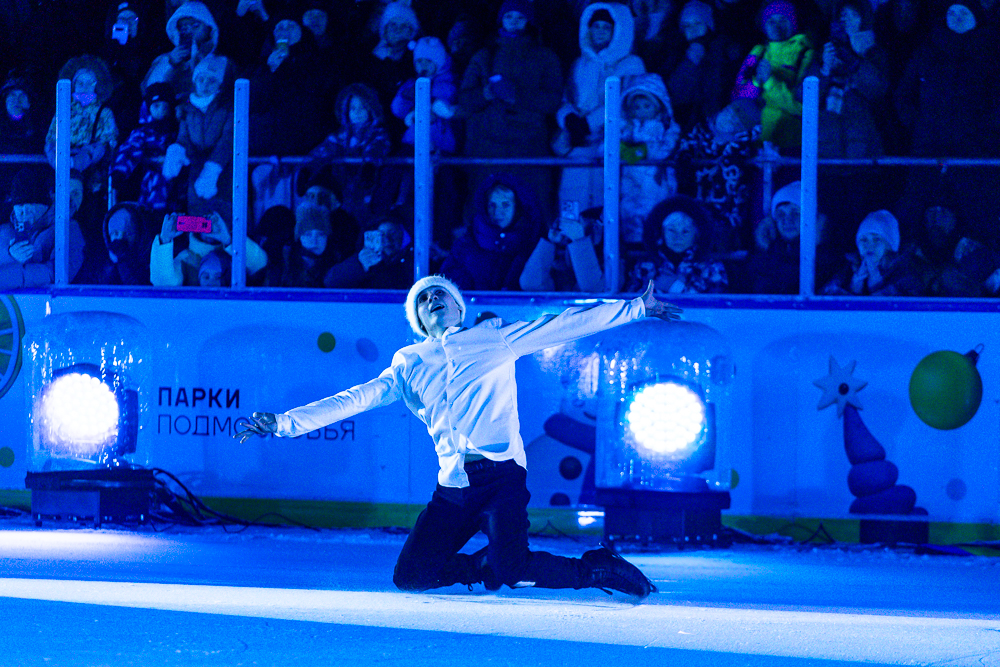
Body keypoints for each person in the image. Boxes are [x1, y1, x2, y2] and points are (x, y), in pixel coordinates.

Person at [235, 274, 681, 597]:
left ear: (457, 307)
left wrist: (635, 307)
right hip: (453, 488)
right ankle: (487, 564)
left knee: (514, 569)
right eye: (424, 298)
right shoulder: (408, 364)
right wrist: (284, 422)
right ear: (418, 318)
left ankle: (595, 570)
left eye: (441, 294)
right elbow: (356, 398)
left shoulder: (493, 340)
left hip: (502, 478)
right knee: (411, 577)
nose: (432, 299)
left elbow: (563, 324)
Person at [554, 2, 645, 214]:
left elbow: (628, 102)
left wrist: (589, 123)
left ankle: (603, 244)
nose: (600, 31)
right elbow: (566, 98)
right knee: (571, 201)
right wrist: (568, 119)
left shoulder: (632, 64)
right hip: (577, 144)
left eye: (606, 27)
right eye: (596, 26)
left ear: (618, 30)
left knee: (607, 203)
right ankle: (572, 243)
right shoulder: (580, 63)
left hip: (613, 144)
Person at [731, 0, 814, 153]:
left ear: (793, 22)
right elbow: (737, 99)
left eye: (783, 19)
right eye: (770, 21)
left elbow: (803, 108)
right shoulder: (758, 51)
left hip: (790, 145)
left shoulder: (805, 53)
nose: (776, 26)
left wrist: (770, 81)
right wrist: (756, 81)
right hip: (753, 145)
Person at [439, 174, 542, 291]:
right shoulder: (466, 245)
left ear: (517, 207)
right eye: (492, 205)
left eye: (506, 205)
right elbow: (451, 288)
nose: (498, 212)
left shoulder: (533, 242)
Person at [162, 54, 233, 214]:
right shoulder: (188, 108)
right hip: (196, 169)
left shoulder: (228, 108)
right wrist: (177, 150)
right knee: (197, 217)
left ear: (220, 84)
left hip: (223, 170)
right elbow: (184, 137)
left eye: (212, 80)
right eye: (201, 79)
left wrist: (213, 168)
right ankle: (196, 238)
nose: (205, 84)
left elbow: (228, 139)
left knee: (221, 216)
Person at [618, 73, 681, 246]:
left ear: (658, 106)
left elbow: (666, 148)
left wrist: (643, 151)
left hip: (655, 178)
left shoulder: (667, 127)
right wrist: (622, 147)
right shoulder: (628, 127)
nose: (641, 111)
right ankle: (632, 244)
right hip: (630, 177)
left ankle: (654, 244)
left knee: (654, 211)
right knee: (629, 210)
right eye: (637, 107)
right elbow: (609, 148)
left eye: (647, 106)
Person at [0, 165, 85, 289]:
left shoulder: (67, 229)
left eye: (31, 204)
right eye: (20, 205)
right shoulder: (4, 232)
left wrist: (11, 277)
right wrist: (9, 255)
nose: (24, 211)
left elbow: (58, 272)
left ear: (45, 205)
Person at [625, 195, 727, 293]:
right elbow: (631, 302)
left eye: (685, 232)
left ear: (696, 235)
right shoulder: (644, 267)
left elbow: (718, 306)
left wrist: (675, 287)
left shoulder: (711, 268)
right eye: (672, 231)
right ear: (662, 233)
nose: (678, 238)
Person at [149, 209, 267, 286]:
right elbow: (163, 285)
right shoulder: (186, 258)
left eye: (214, 222)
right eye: (202, 222)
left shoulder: (235, 253)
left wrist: (227, 239)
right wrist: (165, 240)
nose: (208, 226)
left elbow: (260, 264)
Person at [109, 82, 179, 211]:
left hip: (177, 182)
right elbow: (130, 150)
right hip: (153, 180)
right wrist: (119, 171)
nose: (161, 111)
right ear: (148, 108)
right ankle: (153, 218)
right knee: (156, 185)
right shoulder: (143, 132)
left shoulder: (177, 132)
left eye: (165, 107)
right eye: (156, 106)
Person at [822, 210, 923, 296]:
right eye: (863, 239)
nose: (869, 245)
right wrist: (853, 288)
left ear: (889, 245)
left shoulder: (906, 273)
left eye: (877, 239)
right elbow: (825, 299)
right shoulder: (846, 269)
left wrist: (877, 288)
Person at [519, 207, 608, 292]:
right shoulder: (557, 265)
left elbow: (594, 289)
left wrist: (580, 241)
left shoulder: (614, 265)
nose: (584, 230)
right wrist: (551, 242)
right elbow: (530, 284)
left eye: (593, 226)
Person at [323, 216, 412, 289]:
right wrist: (359, 265)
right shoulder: (361, 261)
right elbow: (330, 281)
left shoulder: (415, 261)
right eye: (381, 234)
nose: (387, 239)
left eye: (392, 233)